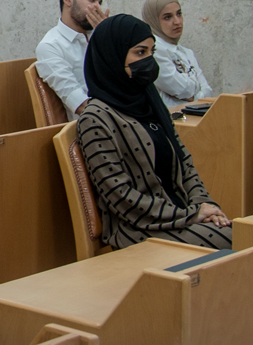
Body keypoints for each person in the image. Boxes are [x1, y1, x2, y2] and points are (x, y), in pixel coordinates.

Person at [74, 14, 232, 251]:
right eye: (140, 52)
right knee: (235, 240)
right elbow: (120, 196)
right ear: (113, 57)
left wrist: (204, 206)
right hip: (137, 229)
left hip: (179, 215)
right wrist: (191, 215)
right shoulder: (95, 119)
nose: (149, 60)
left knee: (245, 235)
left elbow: (185, 163)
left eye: (151, 51)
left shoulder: (149, 102)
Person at [35, 0, 108, 115]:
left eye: (99, 2)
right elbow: (81, 105)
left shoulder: (97, 37)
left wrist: (108, 38)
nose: (97, 8)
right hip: (93, 122)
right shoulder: (51, 46)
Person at [142, 0, 211, 109]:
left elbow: (208, 92)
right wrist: (196, 90)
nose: (177, 22)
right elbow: (182, 89)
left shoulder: (186, 52)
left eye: (179, 14)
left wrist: (193, 97)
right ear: (153, 20)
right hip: (169, 116)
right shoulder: (153, 51)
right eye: (167, 17)